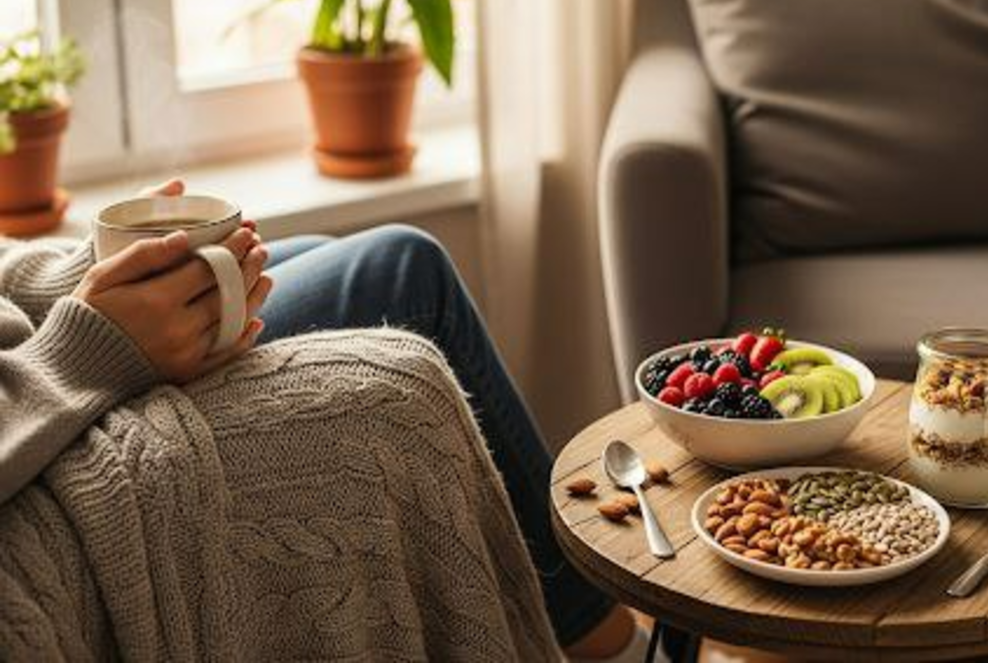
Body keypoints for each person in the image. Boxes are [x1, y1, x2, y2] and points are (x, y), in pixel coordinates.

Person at [0, 180, 661, 662]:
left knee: (330, 254)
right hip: (36, 419)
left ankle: (593, 629)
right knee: (403, 271)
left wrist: (94, 271)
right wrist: (87, 347)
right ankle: (611, 646)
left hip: (24, 356)